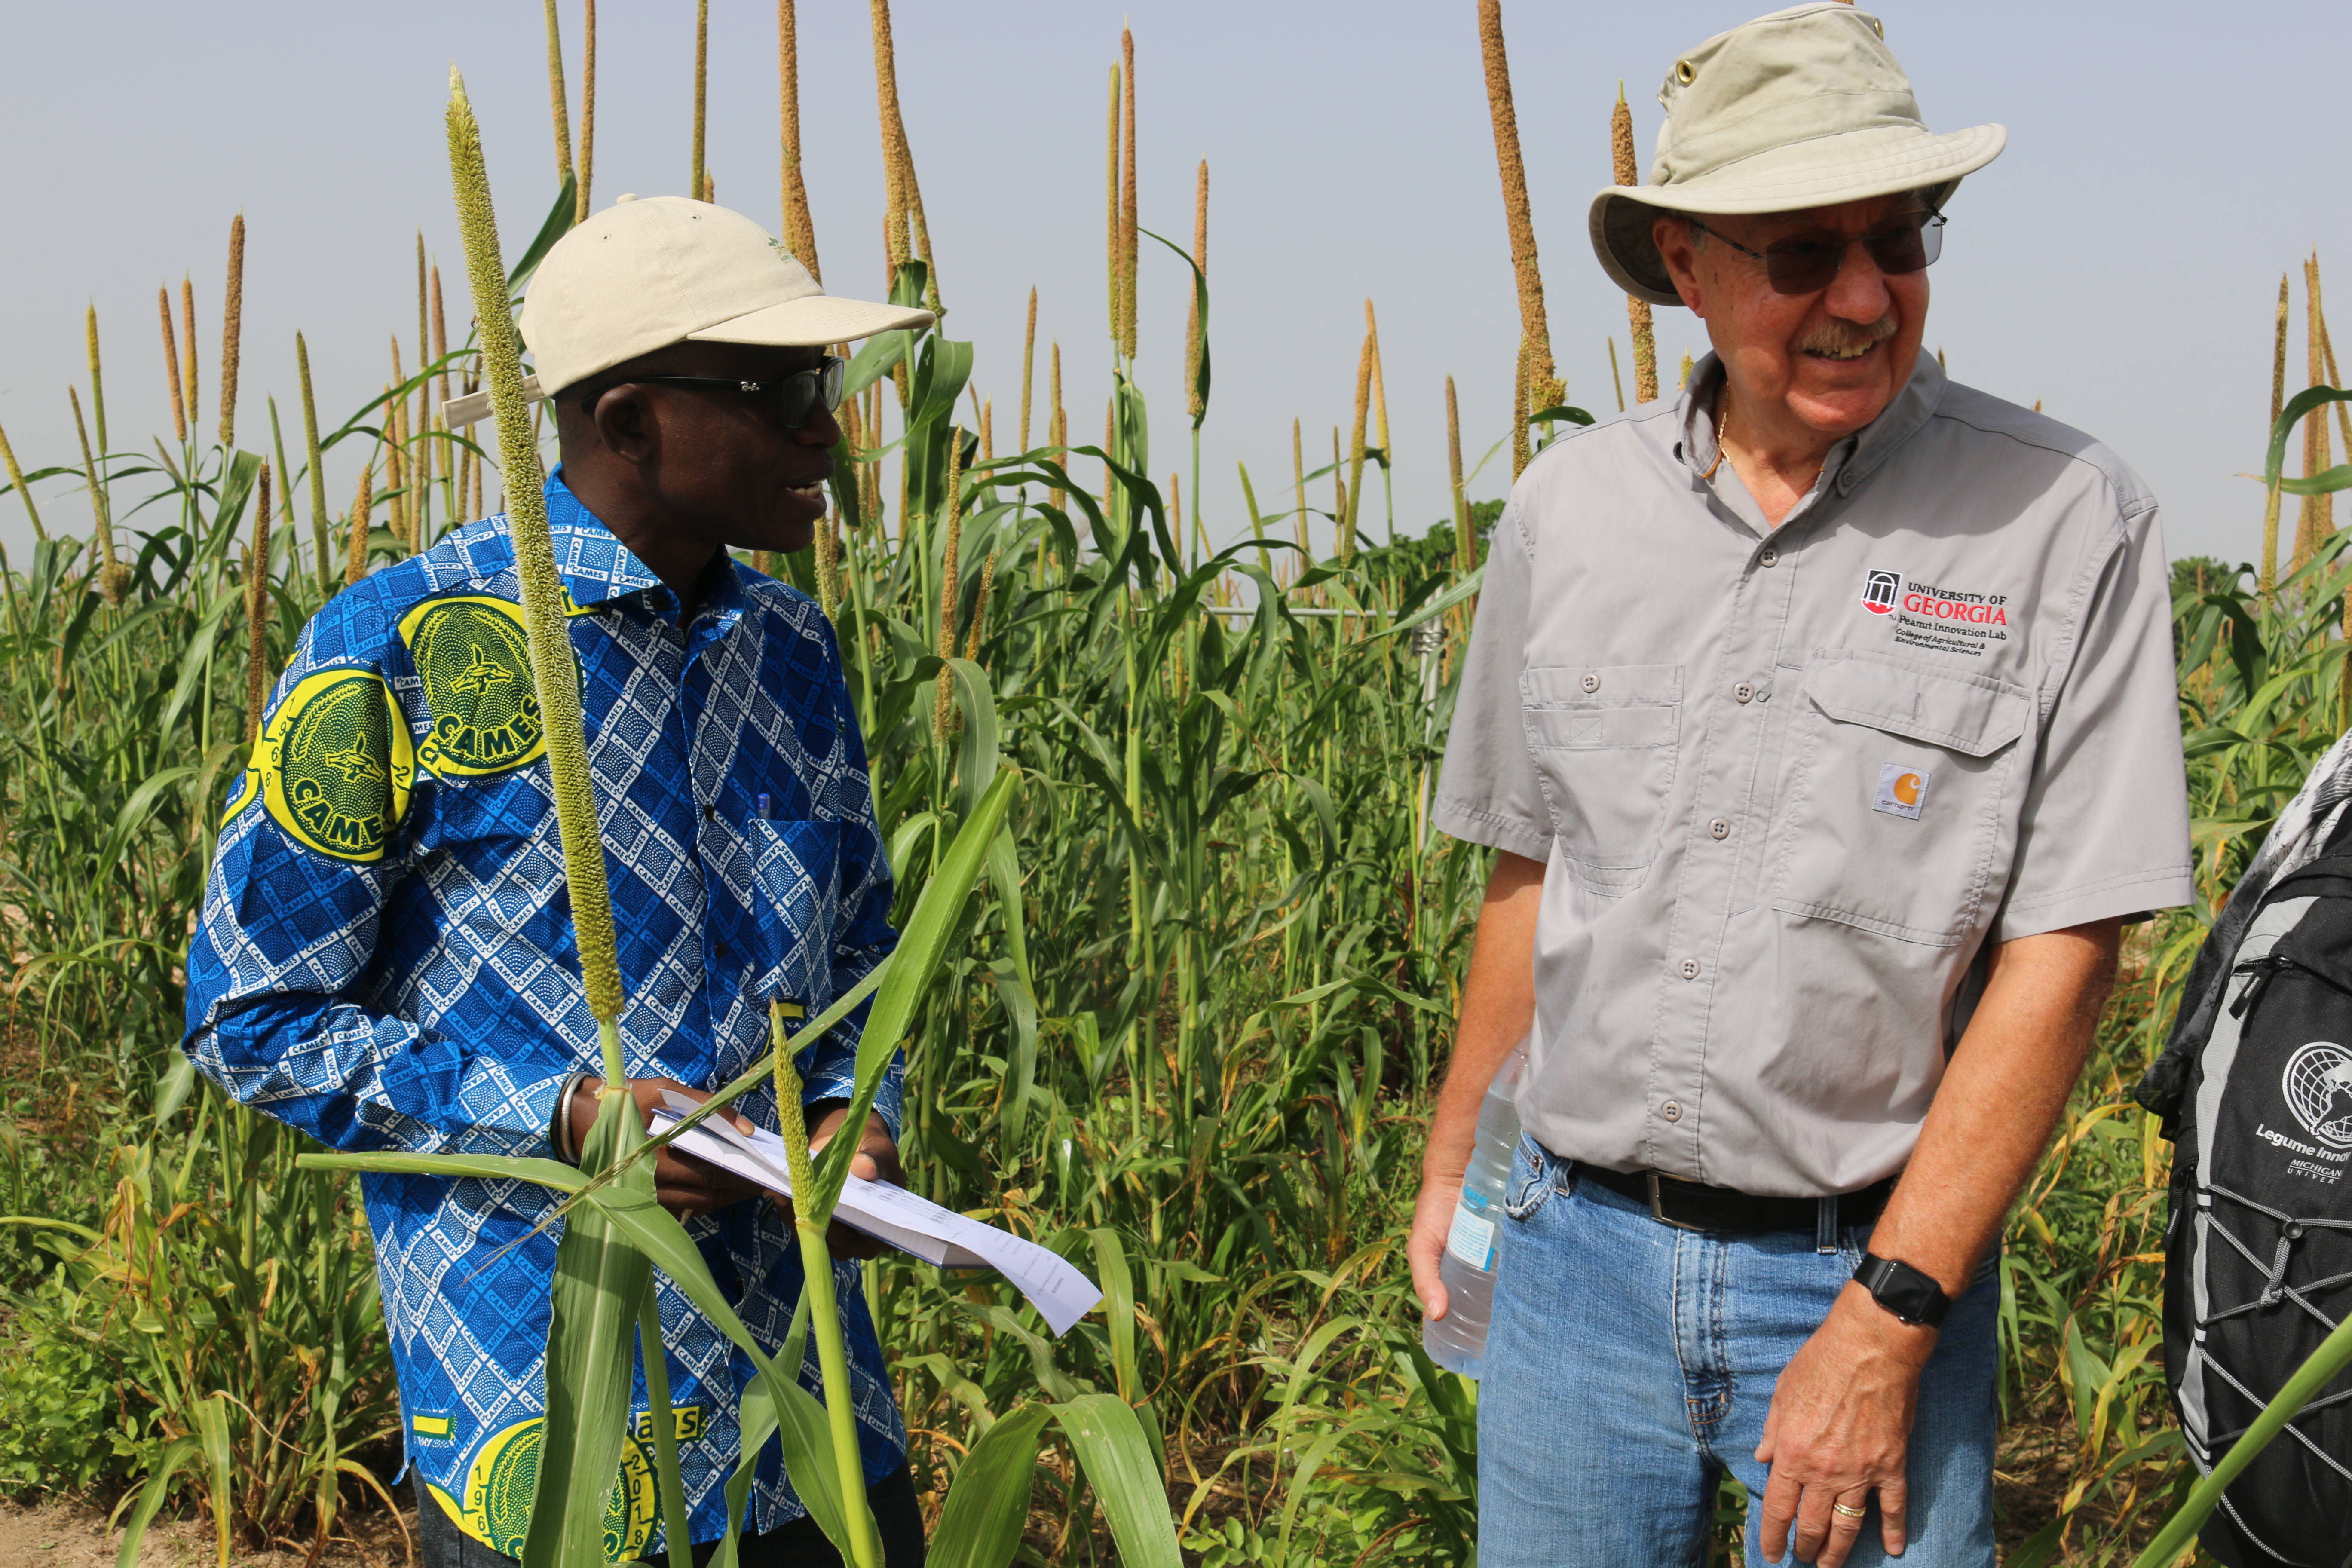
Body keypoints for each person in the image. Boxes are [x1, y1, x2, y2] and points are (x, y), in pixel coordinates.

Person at [1409, 7, 2194, 1566]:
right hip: (1572, 1258)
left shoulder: (2062, 520)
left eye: (1899, 241)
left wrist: (1890, 1322)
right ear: (1686, 269)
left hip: (1859, 1279)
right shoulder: (1568, 513)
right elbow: (1530, 876)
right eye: (1799, 254)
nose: (1860, 295)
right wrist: (1458, 1185)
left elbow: (2065, 954)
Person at [184, 194, 934, 1567]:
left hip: (809, 1414)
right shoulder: (406, 646)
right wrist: (567, 1115)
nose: (827, 424)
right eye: (783, 389)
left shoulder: (790, 649)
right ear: (635, 421)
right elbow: (255, 1016)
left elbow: (863, 952)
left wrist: (858, 1123)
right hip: (554, 1428)